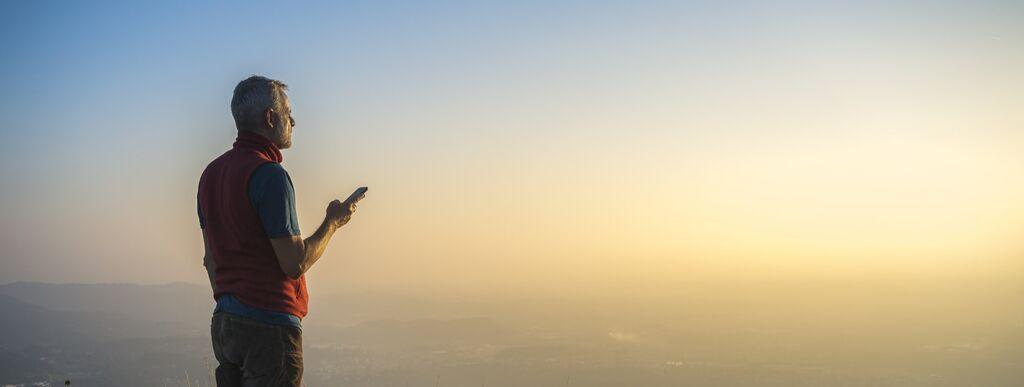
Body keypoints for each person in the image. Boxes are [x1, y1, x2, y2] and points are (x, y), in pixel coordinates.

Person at [197, 75, 363, 386]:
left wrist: (233, 301)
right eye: (287, 112)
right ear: (270, 118)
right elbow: (294, 263)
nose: (293, 120)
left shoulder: (210, 175)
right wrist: (333, 223)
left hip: (225, 323)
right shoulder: (270, 175)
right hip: (269, 325)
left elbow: (211, 260)